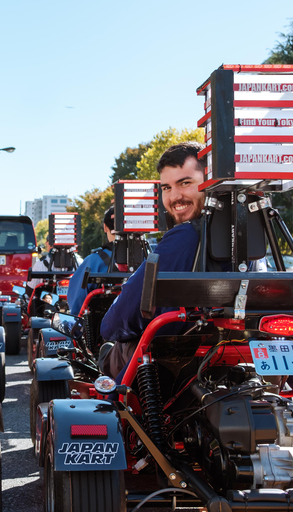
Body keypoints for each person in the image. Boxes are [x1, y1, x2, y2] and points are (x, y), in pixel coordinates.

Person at [98, 142, 207, 378]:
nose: (174, 196)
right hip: (225, 359)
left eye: (185, 183)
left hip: (172, 369)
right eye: (167, 188)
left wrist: (109, 329)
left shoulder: (185, 237)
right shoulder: (248, 236)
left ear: (209, 180)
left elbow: (116, 322)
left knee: (109, 353)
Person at [67, 206, 116, 315]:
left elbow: (77, 300)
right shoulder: (148, 259)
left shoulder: (94, 260)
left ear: (105, 227)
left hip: (101, 327)